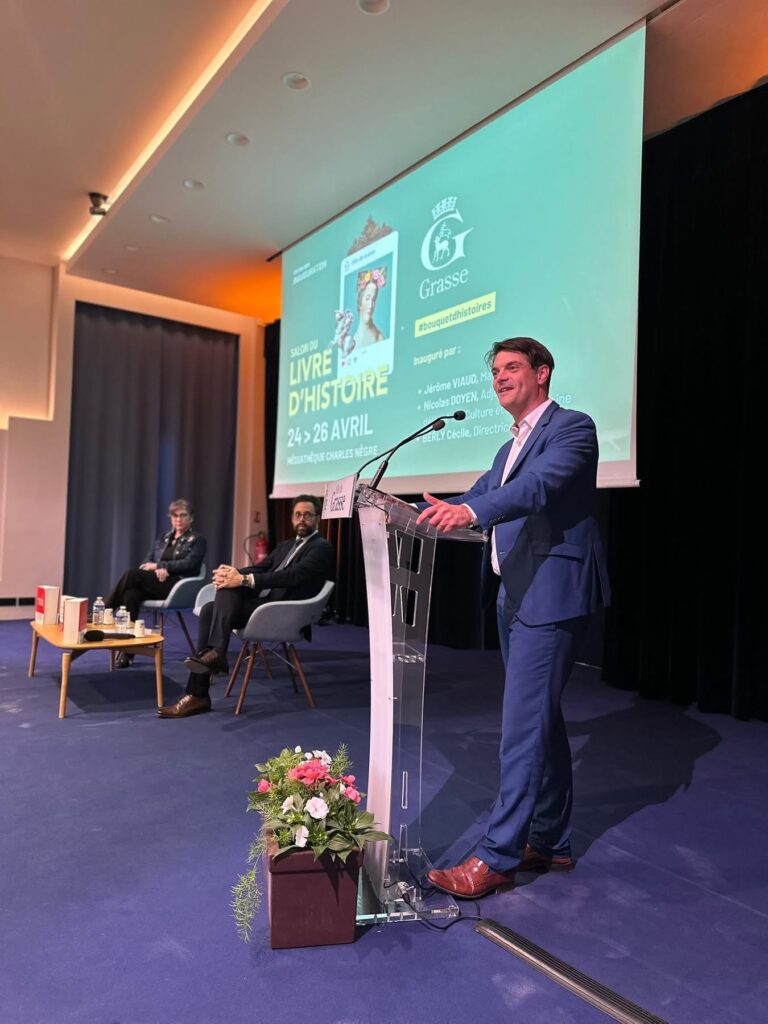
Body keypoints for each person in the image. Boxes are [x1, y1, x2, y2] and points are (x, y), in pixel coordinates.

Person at [416, 337, 610, 898]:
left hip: (551, 593)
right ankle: (550, 841)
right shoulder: (508, 448)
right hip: (515, 594)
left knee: (523, 728)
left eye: (511, 367)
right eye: (495, 370)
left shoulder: (572, 427)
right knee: (540, 722)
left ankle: (497, 855)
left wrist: (470, 510)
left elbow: (536, 487)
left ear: (542, 373)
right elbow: (476, 494)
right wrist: (414, 513)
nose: (499, 377)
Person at [158, 495, 334, 718]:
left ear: (317, 518)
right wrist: (233, 573)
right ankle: (199, 691)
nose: (301, 519)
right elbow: (262, 567)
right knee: (211, 607)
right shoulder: (287, 545)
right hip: (266, 606)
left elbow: (291, 576)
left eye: (307, 515)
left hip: (286, 611)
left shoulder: (321, 548)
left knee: (229, 590)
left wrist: (242, 580)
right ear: (291, 518)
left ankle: (212, 664)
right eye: (298, 514)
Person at [105, 498, 206, 668]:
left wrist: (163, 566)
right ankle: (128, 651)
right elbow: (147, 561)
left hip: (176, 585)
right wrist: (155, 569)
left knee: (130, 574)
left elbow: (192, 565)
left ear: (191, 518)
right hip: (157, 582)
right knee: (130, 594)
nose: (178, 519)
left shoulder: (197, 540)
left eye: (183, 515)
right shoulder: (164, 538)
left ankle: (105, 610)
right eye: (175, 516)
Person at [352, 267, 386, 348]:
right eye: (367, 298)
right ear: (360, 302)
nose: (370, 305)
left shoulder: (379, 338)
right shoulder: (352, 341)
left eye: (373, 300)